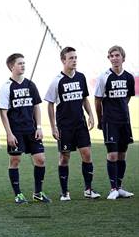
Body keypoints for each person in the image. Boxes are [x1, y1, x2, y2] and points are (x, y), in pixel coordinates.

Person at [45, 47, 100, 201]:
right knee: (64, 158)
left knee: (87, 154)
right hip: (64, 126)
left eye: (75, 57)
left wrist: (91, 116)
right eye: (71, 58)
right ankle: (64, 192)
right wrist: (53, 126)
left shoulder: (81, 77)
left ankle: (88, 190)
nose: (74, 60)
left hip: (80, 124)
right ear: (63, 60)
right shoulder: (57, 81)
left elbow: (84, 99)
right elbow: (49, 104)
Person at [0, 53, 50, 204]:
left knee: (40, 159)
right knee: (15, 160)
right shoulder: (6, 87)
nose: (23, 65)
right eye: (20, 63)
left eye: (24, 63)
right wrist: (9, 133)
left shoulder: (30, 84)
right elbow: (3, 112)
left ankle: (38, 192)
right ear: (11, 67)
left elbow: (36, 107)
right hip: (16, 131)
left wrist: (39, 127)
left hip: (31, 129)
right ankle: (18, 194)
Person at [94, 45, 135, 200]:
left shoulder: (129, 77)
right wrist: (100, 119)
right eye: (111, 56)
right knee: (112, 155)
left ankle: (119, 187)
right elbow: (97, 100)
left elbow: (128, 97)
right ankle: (113, 189)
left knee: (122, 155)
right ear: (109, 58)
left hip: (124, 120)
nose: (114, 58)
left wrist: (121, 109)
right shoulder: (104, 77)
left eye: (117, 55)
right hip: (110, 121)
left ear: (123, 58)